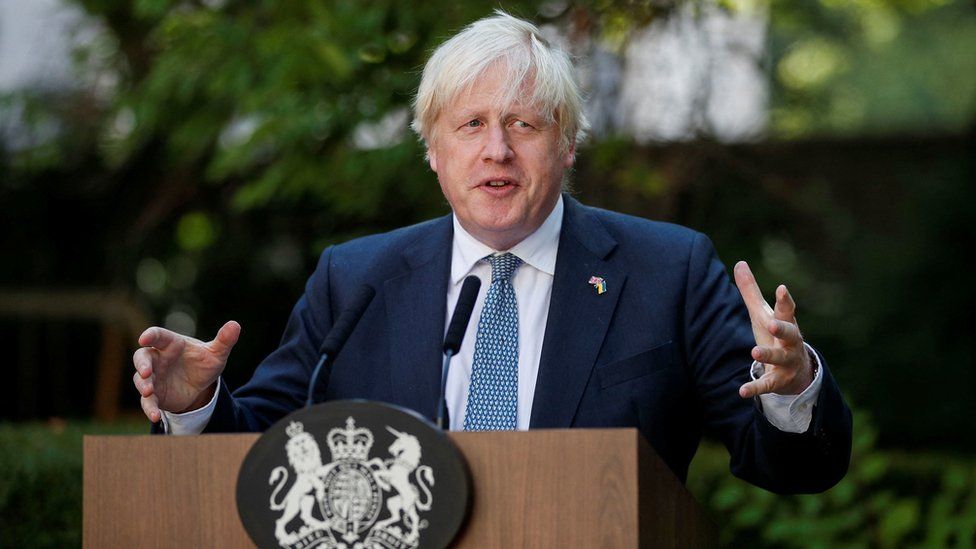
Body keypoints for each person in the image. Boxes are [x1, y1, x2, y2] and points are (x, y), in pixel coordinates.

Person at [132, 11, 851, 494]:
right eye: (470, 124)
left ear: (567, 144)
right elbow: (261, 456)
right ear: (434, 151)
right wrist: (195, 405)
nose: (496, 149)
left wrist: (793, 388)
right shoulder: (354, 281)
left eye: (523, 123)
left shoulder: (668, 270)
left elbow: (792, 465)